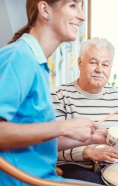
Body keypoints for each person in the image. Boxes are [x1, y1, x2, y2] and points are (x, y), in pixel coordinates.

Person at [0, 0, 107, 185]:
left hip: (45, 178)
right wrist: (64, 127)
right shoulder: (19, 57)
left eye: (82, 7)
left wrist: (86, 137)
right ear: (44, 9)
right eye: (73, 6)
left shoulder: (38, 65)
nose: (82, 16)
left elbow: (35, 140)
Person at [51, 37, 118, 186]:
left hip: (116, 167)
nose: (99, 69)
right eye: (93, 62)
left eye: (105, 64)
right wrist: (88, 152)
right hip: (76, 166)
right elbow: (50, 145)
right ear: (79, 62)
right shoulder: (59, 96)